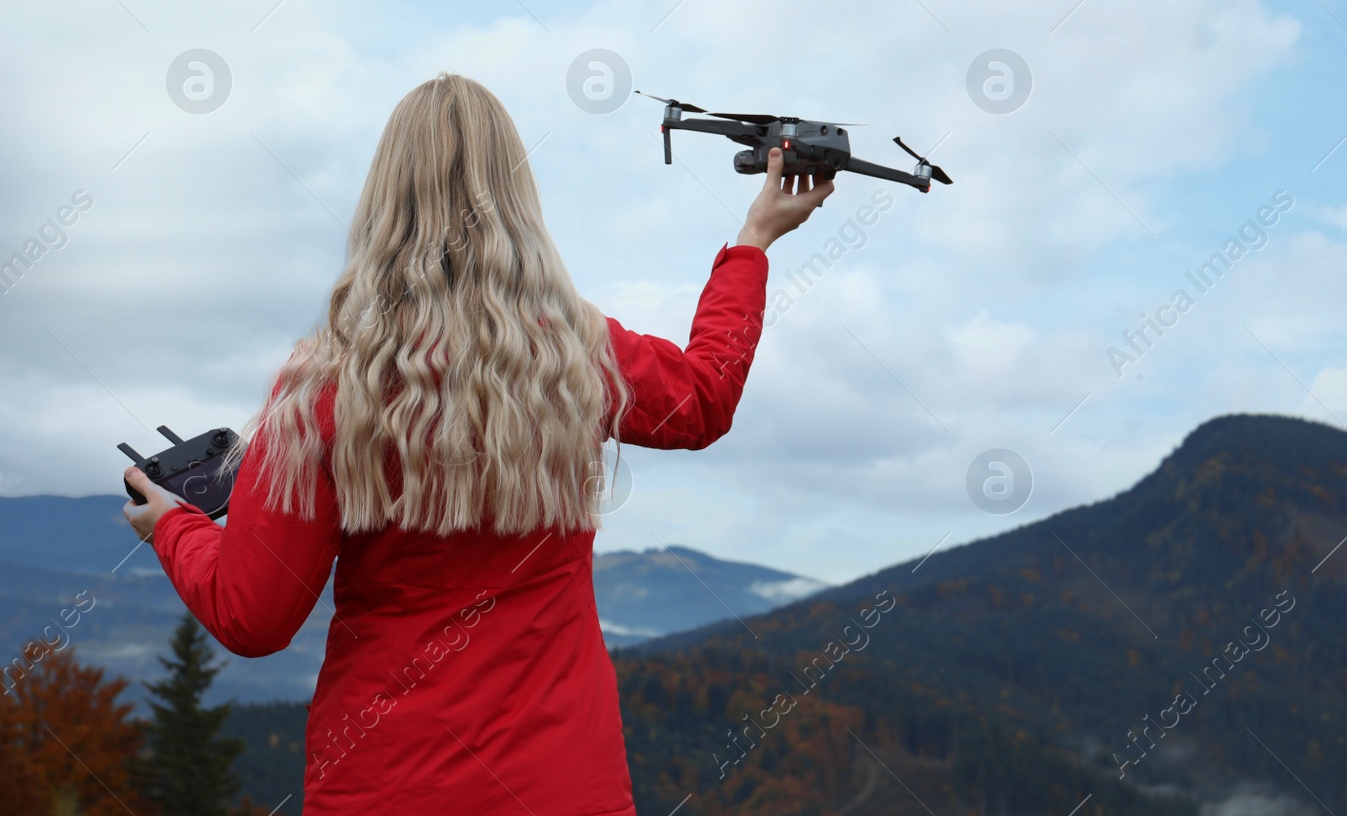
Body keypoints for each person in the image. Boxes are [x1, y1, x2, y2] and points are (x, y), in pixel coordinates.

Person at [122, 74, 833, 815]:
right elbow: (702, 399)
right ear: (514, 195)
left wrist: (173, 525)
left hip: (386, 785)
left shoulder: (325, 383)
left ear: (383, 200)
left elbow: (254, 616)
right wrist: (753, 241)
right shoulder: (573, 354)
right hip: (562, 788)